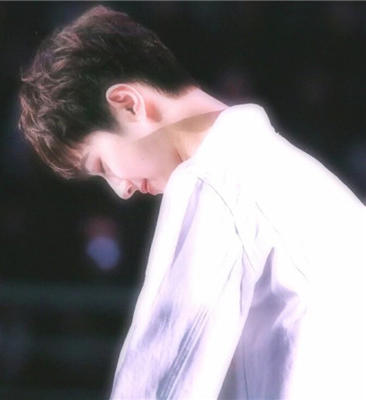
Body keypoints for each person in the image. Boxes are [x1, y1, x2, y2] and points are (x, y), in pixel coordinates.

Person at [18, 5, 366, 400]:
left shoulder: (215, 184)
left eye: (102, 165)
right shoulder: (305, 180)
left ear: (128, 104)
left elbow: (160, 384)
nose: (121, 190)